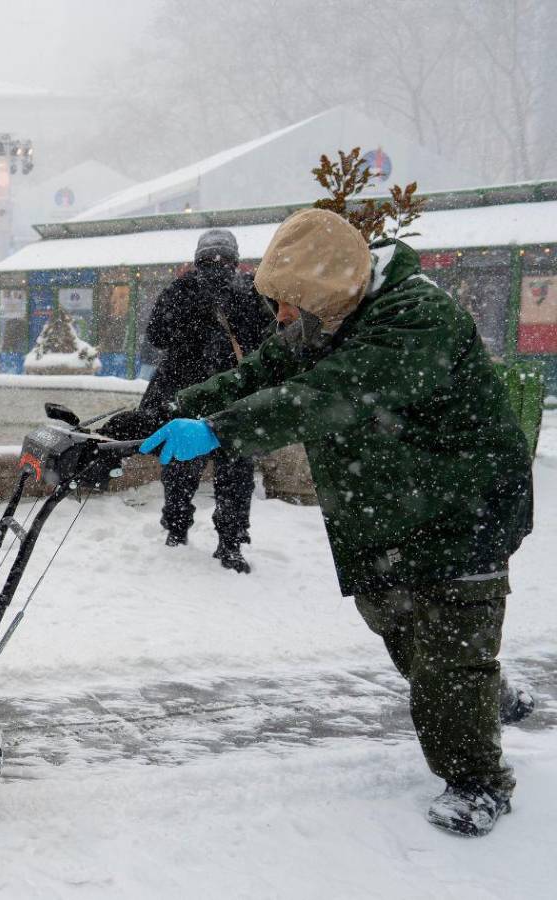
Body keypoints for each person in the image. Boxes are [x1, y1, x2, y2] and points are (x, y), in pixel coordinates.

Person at [139, 208, 534, 837]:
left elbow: (326, 393)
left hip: (464, 504)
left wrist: (220, 431)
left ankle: (477, 781)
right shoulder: (334, 309)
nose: (283, 319)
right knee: (396, 619)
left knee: (445, 654)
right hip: (389, 506)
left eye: (291, 305)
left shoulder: (415, 319)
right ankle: (485, 694)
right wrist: (170, 410)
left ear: (325, 289)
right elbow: (264, 371)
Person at [116, 229, 273, 573]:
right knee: (232, 471)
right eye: (212, 260)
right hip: (231, 394)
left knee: (185, 467)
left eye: (220, 259)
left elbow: (156, 335)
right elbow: (267, 342)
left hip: (192, 393)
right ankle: (226, 542)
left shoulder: (186, 288)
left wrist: (188, 315)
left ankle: (181, 530)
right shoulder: (247, 290)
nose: (217, 266)